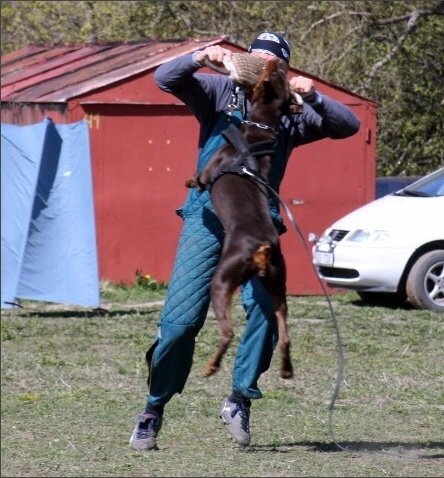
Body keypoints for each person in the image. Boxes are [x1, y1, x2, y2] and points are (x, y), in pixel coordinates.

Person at [130, 31, 360, 451]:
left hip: (258, 222)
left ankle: (239, 398)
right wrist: (200, 55)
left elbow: (348, 125)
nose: (263, 67)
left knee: (267, 312)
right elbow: (165, 79)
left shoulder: (292, 110)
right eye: (256, 59)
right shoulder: (220, 92)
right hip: (205, 218)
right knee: (180, 324)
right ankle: (153, 409)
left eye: (272, 62)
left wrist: (315, 96)